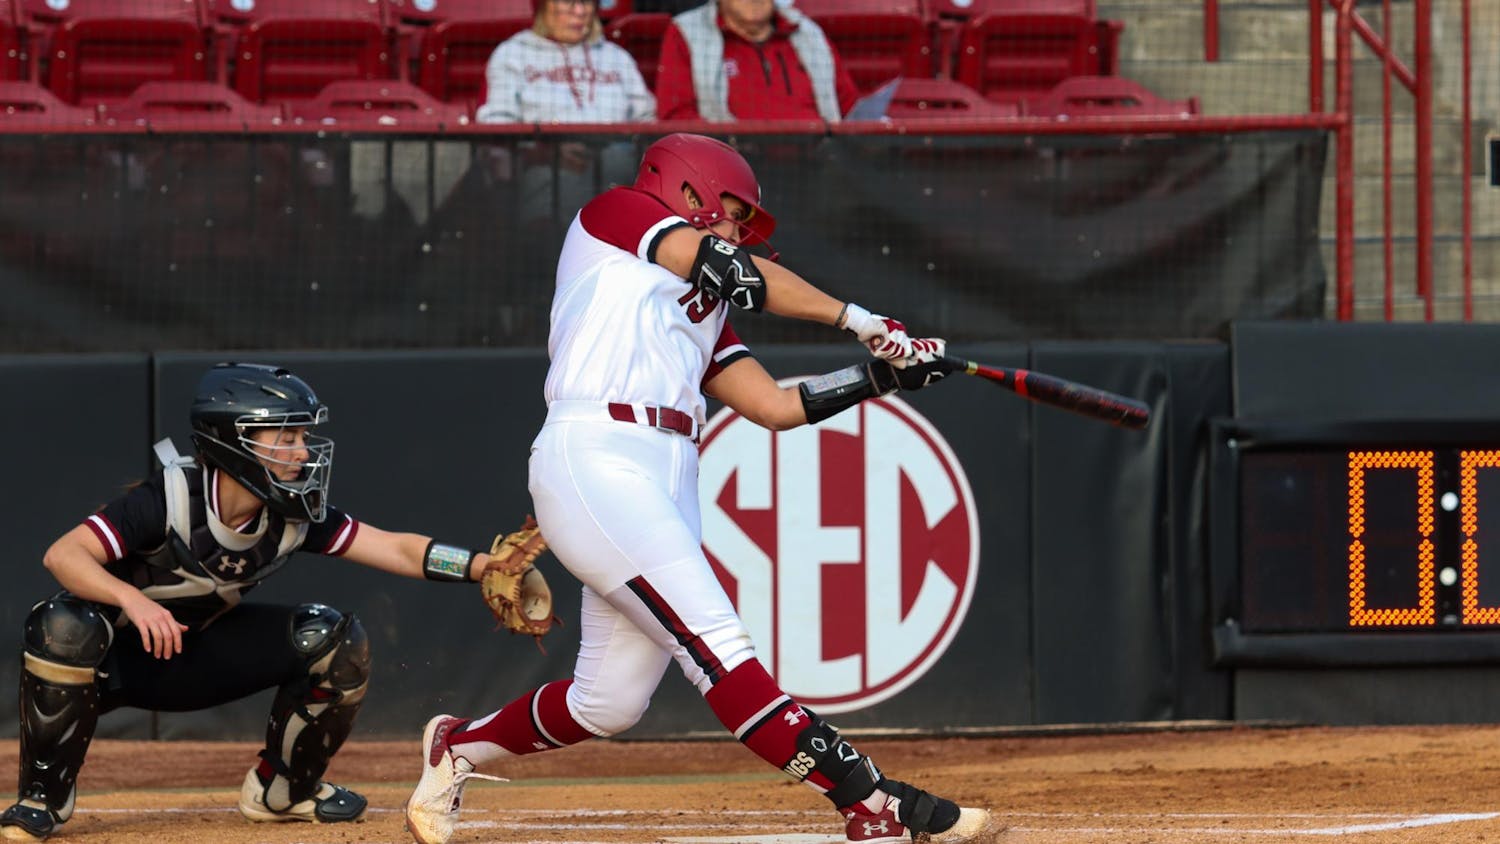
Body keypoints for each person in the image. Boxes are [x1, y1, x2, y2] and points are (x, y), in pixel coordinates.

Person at [403, 133, 992, 844]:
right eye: (733, 213)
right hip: (599, 453)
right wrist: (860, 321)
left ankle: (457, 745)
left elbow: (773, 406)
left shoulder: (701, 307)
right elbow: (733, 267)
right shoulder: (614, 215)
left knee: (609, 702)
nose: (739, 231)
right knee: (717, 647)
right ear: (689, 191)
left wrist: (881, 378)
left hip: (667, 468)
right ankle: (870, 802)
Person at [0, 363, 529, 842]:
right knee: (61, 624)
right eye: (286, 437)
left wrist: (484, 567)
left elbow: (394, 546)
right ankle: (43, 798)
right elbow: (63, 555)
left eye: (303, 435)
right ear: (235, 443)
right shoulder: (169, 497)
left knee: (333, 638)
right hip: (111, 664)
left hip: (194, 659)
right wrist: (131, 601)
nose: (303, 451)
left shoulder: (293, 514)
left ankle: (284, 791)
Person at [475, 0, 654, 227]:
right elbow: (496, 130)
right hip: (545, 174)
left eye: (588, 3)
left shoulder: (616, 57)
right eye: (568, 2)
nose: (580, 12)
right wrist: (544, 153)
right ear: (542, 5)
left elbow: (648, 121)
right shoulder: (512, 54)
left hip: (617, 172)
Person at [655, 0, 861, 121]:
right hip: (732, 172)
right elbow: (677, 119)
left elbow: (850, 109)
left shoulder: (808, 34)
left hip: (818, 168)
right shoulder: (686, 32)